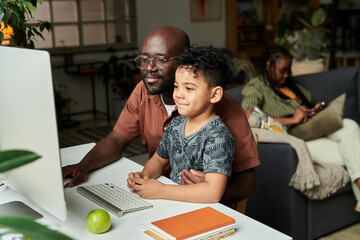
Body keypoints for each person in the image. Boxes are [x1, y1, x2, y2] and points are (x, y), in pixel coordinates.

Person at [62, 26, 260, 204]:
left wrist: (202, 189)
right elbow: (118, 139)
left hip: (204, 207)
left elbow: (247, 181)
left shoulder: (222, 116)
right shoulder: (147, 94)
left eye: (161, 59)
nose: (149, 67)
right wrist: (84, 166)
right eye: (144, 59)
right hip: (161, 198)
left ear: (184, 61)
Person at [241, 45, 360, 211]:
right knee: (351, 149)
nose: (286, 75)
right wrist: (291, 120)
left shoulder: (290, 86)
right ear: (269, 64)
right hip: (297, 137)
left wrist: (312, 111)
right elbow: (248, 117)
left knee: (350, 127)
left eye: (288, 70)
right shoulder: (256, 86)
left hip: (313, 129)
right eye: (282, 70)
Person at [127, 46, 234, 202]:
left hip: (202, 211)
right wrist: (145, 176)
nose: (178, 94)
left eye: (189, 88)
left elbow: (213, 192)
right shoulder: (176, 123)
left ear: (215, 94)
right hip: (174, 203)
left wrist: (161, 190)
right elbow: (158, 160)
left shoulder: (217, 136)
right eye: (177, 86)